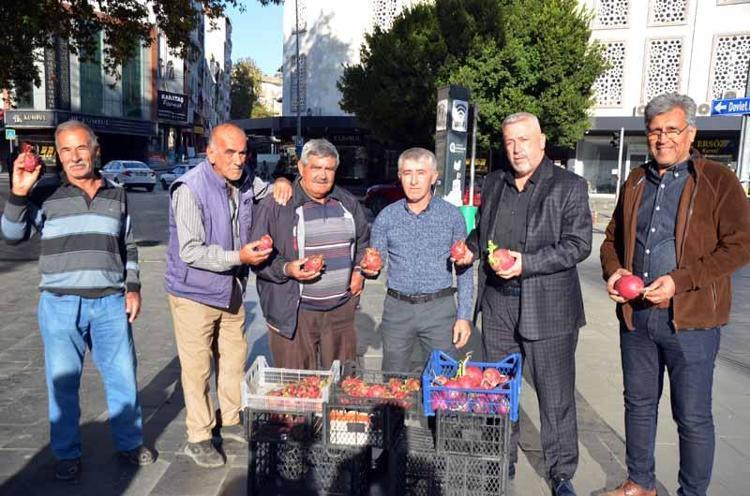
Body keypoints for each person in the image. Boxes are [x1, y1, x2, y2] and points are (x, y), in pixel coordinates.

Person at [600, 93, 750, 496]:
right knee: (638, 405)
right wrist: (615, 272)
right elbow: (611, 239)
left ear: (691, 133)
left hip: (691, 322)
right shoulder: (636, 180)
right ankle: (640, 483)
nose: (662, 138)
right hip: (637, 317)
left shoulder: (718, 180)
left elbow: (740, 245)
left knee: (693, 416)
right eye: (654, 131)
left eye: (672, 129)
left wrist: (680, 281)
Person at [0, 120, 155, 480]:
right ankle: (66, 453)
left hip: (110, 304)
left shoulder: (117, 192)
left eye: (81, 147)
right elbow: (12, 235)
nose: (74, 156)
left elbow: (127, 244)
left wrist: (133, 287)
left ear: (95, 150)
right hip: (60, 305)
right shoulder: (45, 191)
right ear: (58, 154)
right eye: (66, 150)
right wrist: (19, 193)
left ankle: (129, 442)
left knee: (122, 377)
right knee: (63, 384)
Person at [455, 112, 592, 496]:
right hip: (498, 305)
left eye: (524, 140)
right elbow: (482, 230)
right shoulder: (494, 182)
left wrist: (527, 263)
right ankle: (502, 459)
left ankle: (561, 473)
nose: (517, 149)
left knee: (555, 395)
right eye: (510, 141)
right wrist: (469, 249)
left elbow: (579, 244)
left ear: (542, 141)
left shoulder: (569, 186)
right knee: (498, 389)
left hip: (548, 308)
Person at [164, 123, 291, 468]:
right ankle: (199, 436)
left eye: (243, 152)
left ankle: (230, 419)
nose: (238, 160)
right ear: (211, 153)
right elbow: (191, 251)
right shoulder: (189, 188)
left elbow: (269, 191)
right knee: (197, 368)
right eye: (230, 152)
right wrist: (240, 257)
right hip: (194, 292)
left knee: (234, 358)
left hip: (231, 288)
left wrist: (282, 181)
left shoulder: (246, 180)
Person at [250, 139, 370, 370]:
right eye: (316, 167)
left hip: (340, 311)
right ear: (301, 167)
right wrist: (287, 269)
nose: (322, 175)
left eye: (329, 169)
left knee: (342, 382)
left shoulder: (347, 202)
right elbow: (256, 255)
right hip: (295, 313)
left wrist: (359, 271)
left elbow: (363, 241)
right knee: (297, 384)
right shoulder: (277, 204)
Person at [368, 147, 472, 372]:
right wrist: (368, 269)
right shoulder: (386, 217)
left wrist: (464, 316)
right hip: (397, 310)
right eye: (407, 173)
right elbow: (375, 261)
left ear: (434, 177)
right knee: (393, 378)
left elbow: (464, 269)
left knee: (444, 378)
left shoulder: (452, 216)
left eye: (421, 173)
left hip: (439, 310)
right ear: (400, 176)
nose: (414, 181)